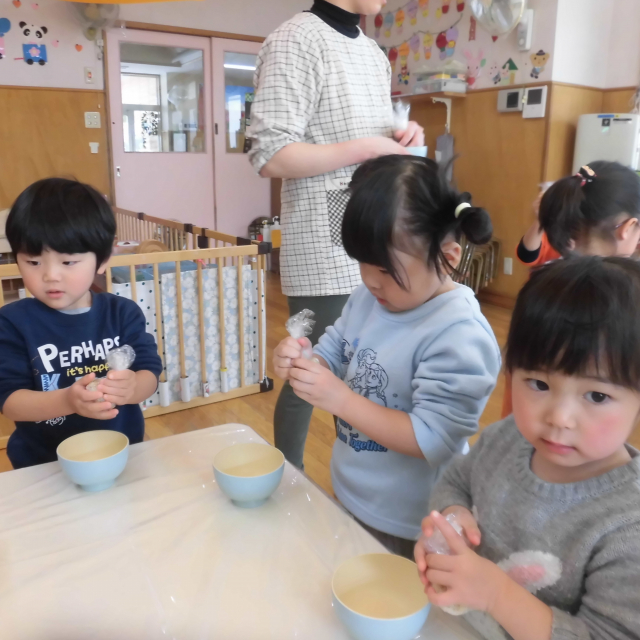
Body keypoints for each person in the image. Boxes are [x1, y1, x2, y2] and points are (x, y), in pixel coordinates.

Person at [273, 155, 501, 557]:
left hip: (411, 522)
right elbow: (334, 350)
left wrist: (340, 399)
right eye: (361, 262)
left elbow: (434, 438)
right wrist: (306, 360)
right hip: (352, 492)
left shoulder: (458, 333)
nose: (368, 279)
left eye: (384, 268)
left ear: (447, 257)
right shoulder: (368, 299)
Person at [416, 256, 640, 640]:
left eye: (597, 395)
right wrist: (454, 516)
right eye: (539, 384)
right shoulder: (505, 438)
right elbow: (456, 480)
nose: (560, 418)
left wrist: (496, 594)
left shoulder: (627, 522)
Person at [248, 0, 425, 469]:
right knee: (310, 371)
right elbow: (270, 154)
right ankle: (287, 474)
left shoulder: (372, 52)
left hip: (375, 231)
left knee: (372, 369)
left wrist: (400, 134)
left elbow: (370, 134)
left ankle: (362, 474)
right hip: (322, 244)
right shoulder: (294, 38)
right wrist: (368, 147)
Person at [0, 178, 163, 468]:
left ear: (101, 261)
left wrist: (132, 388)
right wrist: (67, 401)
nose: (50, 275)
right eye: (34, 262)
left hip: (119, 453)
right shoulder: (12, 322)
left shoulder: (122, 313)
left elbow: (149, 370)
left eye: (68, 262)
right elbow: (9, 399)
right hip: (43, 464)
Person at [502, 161, 640, 418]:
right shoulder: (627, 296)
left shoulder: (540, 283)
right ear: (628, 228)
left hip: (522, 423)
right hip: (585, 439)